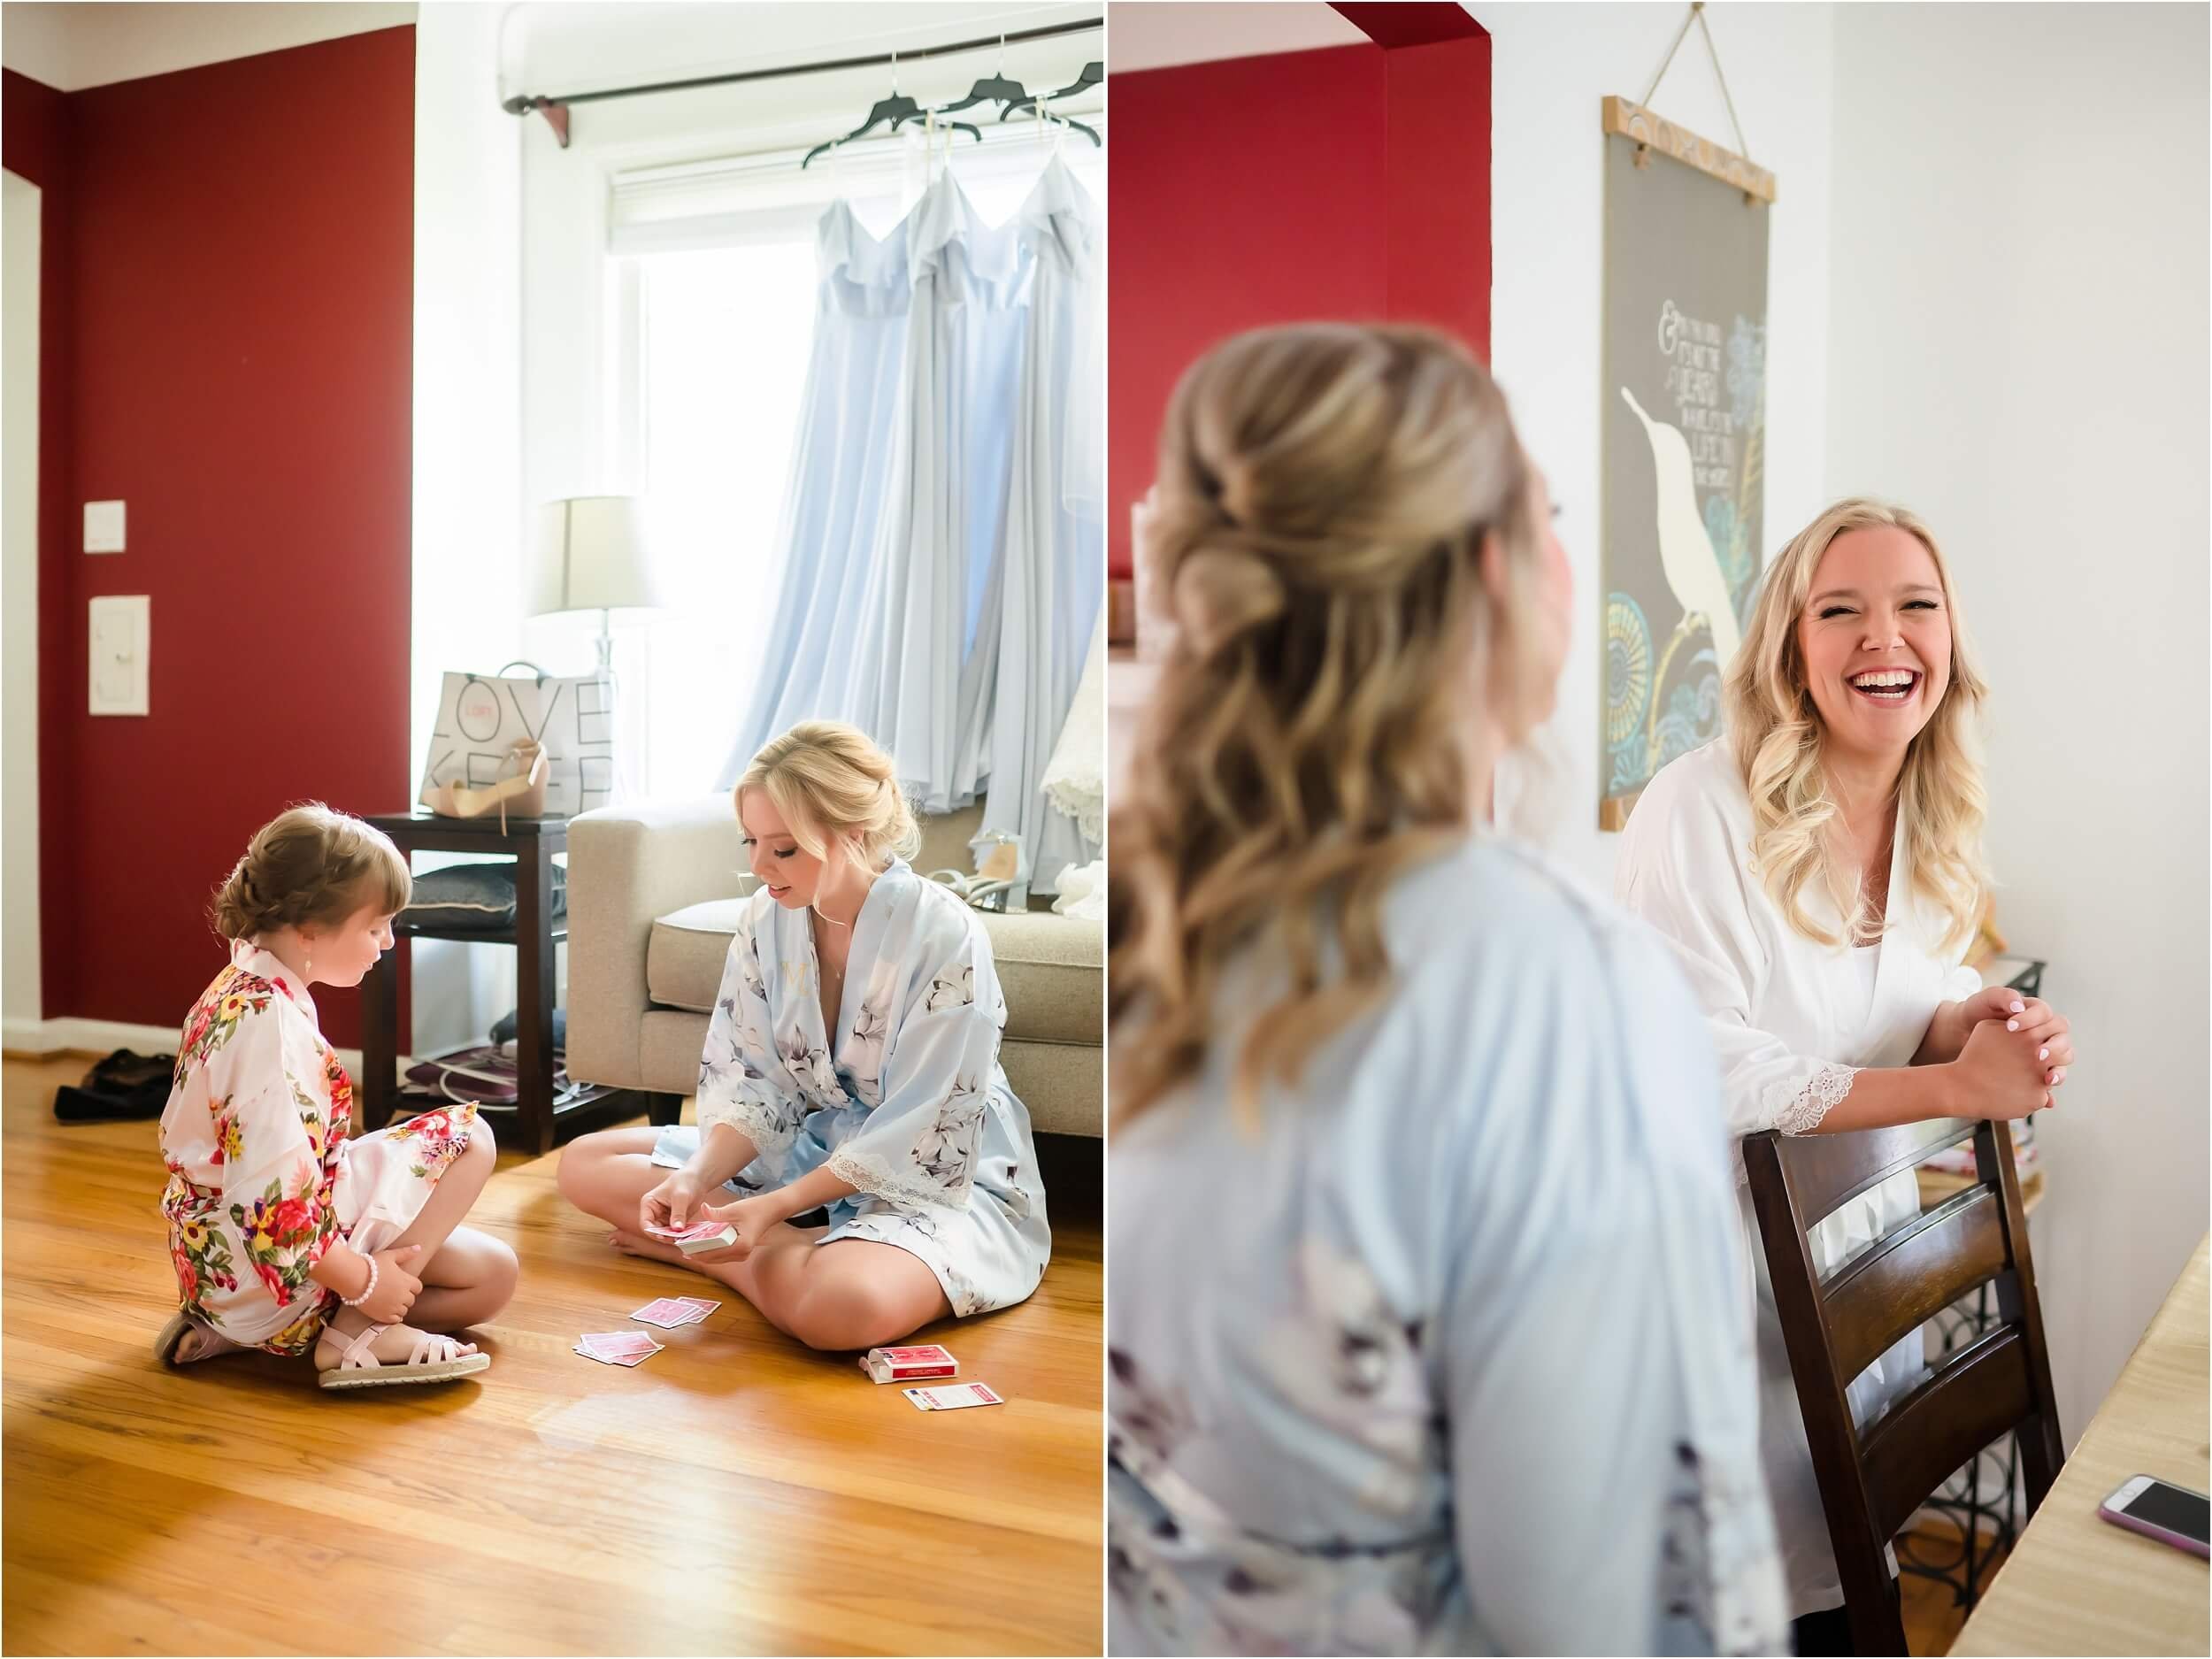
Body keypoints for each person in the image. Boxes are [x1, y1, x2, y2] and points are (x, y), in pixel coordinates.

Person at [1106, 323, 1787, 1655]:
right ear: (1497, 568)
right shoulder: (1560, 995)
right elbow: (1620, 1607)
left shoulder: (1149, 931)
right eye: (1553, 514)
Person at [1615, 497, 2073, 1650]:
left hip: (1844, 1291)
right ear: (1791, 647)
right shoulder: (1697, 808)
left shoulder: (1927, 818)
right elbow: (1700, 1068)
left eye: (1916, 605)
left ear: (1950, 641)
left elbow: (1898, 994)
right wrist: (1957, 1090)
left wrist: (1974, 1014)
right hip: (1685, 1294)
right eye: (1843, 610)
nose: (1887, 638)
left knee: (1825, 1592)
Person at [557, 720, 1050, 1351]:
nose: (758, 866)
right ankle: (774, 1245)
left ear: (853, 834)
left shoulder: (943, 934)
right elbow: (755, 1082)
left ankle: (729, 1254)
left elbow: (922, 1126)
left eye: (782, 849)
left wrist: (770, 1209)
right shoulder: (768, 917)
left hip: (939, 1169)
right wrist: (698, 1178)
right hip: (817, 1145)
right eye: (751, 841)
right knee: (584, 1164)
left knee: (843, 1309)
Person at [157, 804, 516, 1389]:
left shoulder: (244, 981)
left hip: (217, 1274)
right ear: (310, 928)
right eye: (376, 926)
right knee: (472, 1137)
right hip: (271, 1269)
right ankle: (355, 1334)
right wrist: (366, 1283)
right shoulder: (269, 1031)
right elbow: (273, 1209)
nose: (389, 942)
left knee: (492, 1276)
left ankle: (239, 1331)